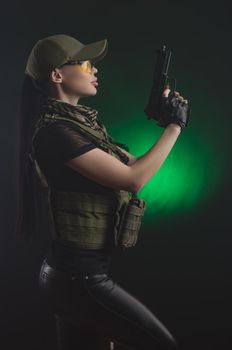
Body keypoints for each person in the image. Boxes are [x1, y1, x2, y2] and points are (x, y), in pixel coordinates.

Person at [15, 34, 190, 350]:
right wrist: (175, 128)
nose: (94, 70)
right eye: (85, 63)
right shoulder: (55, 132)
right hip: (77, 281)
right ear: (56, 75)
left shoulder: (78, 124)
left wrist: (166, 123)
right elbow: (134, 178)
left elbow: (135, 163)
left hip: (72, 279)